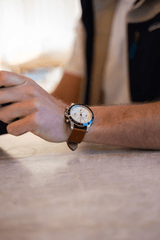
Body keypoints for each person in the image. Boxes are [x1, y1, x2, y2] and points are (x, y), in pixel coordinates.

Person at [1, 0, 160, 150]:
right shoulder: (96, 9)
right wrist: (17, 107)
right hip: (104, 161)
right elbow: (64, 97)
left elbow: (61, 113)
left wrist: (69, 121)